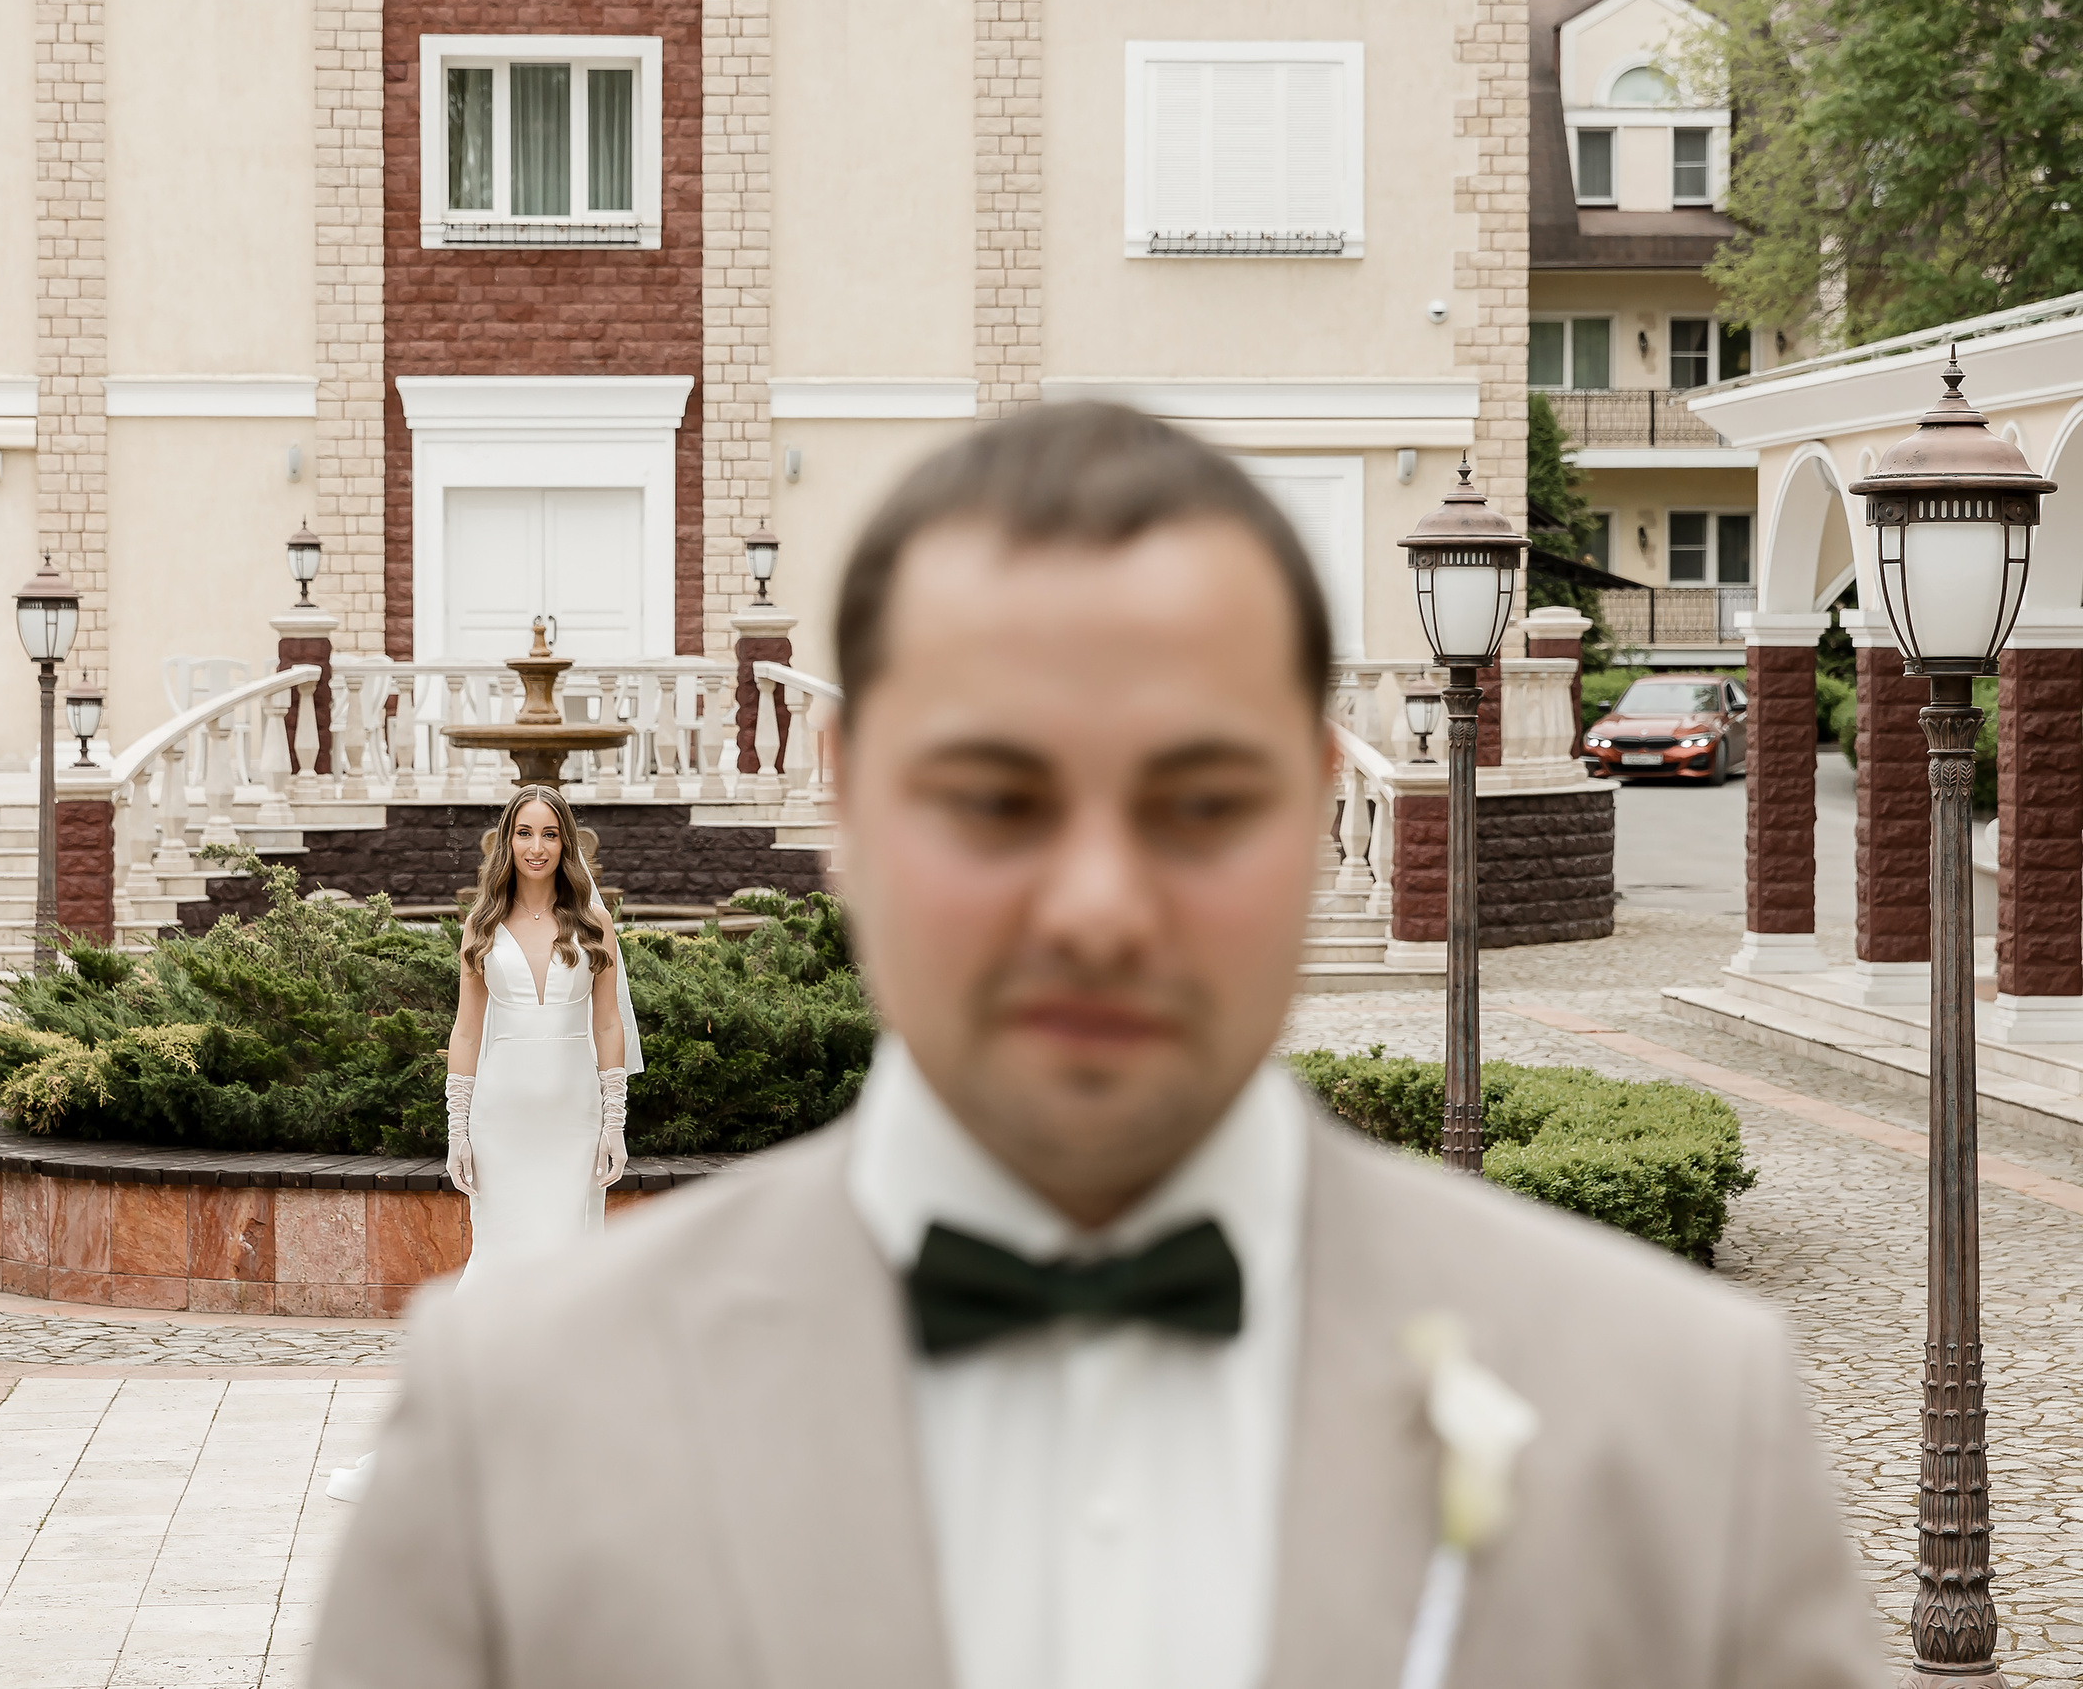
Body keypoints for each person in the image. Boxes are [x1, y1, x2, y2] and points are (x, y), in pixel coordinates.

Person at [309, 405, 1883, 1688]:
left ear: (1316, 792)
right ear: (848, 793)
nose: (1097, 905)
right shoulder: (512, 1421)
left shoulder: (1682, 1421)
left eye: (1198, 799)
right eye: (996, 797)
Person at [324, 783, 636, 1504]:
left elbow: (610, 1026)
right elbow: (465, 1032)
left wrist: (614, 1120)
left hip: (570, 1124)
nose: (535, 846)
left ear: (566, 842)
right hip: (502, 1125)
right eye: (523, 832)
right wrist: (456, 1126)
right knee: (492, 1274)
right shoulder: (482, 924)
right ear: (506, 841)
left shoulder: (593, 921)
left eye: (549, 834)